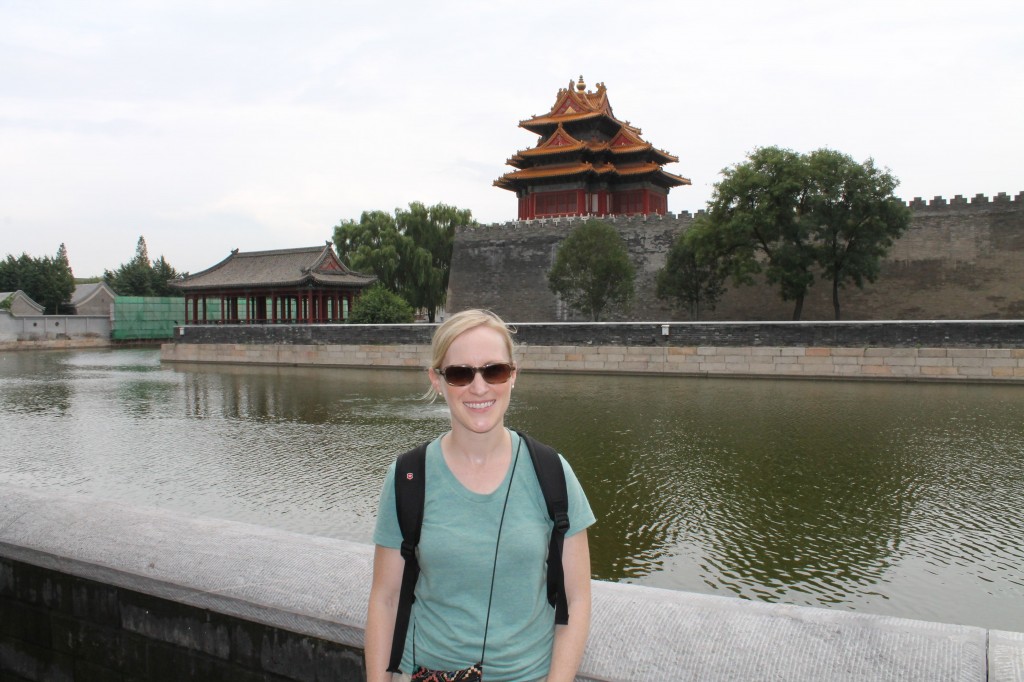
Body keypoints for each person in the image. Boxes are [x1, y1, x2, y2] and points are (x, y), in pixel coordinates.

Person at [365, 309, 595, 682]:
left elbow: (578, 598)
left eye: (494, 370)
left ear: (513, 375)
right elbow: (386, 599)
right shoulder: (409, 477)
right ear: (437, 380)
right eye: (460, 373)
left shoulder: (552, 473)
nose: (479, 387)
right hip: (429, 673)